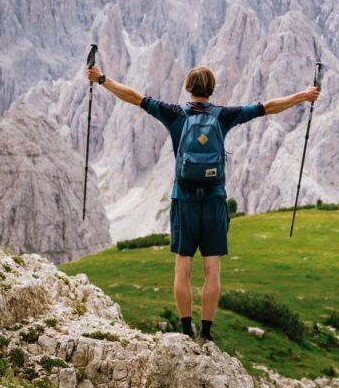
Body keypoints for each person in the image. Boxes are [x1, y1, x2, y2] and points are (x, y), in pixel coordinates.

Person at [86, 65, 320, 341]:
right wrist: (303, 96)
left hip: (183, 200)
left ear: (188, 88)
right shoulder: (223, 116)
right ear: (211, 89)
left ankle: (186, 330)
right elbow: (267, 107)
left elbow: (134, 97)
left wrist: (101, 79)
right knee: (212, 268)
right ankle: (206, 333)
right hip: (214, 200)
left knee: (182, 267)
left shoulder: (174, 114)